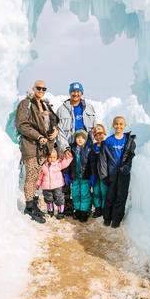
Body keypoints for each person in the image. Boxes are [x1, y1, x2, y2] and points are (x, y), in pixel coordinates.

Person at [16, 80, 59, 224]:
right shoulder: (26, 103)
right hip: (31, 146)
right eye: (39, 88)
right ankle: (29, 207)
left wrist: (55, 132)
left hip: (44, 148)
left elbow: (53, 122)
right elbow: (22, 124)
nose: (41, 90)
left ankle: (33, 203)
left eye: (44, 88)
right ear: (34, 88)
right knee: (31, 177)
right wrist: (38, 136)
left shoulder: (45, 104)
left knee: (36, 177)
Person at [56, 82, 96, 215]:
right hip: (68, 148)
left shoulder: (89, 108)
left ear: (82, 93)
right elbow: (59, 131)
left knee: (84, 177)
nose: (76, 93)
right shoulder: (62, 109)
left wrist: (94, 146)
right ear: (70, 93)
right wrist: (65, 148)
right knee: (67, 177)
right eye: (73, 91)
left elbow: (93, 129)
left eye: (78, 91)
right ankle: (68, 207)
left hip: (85, 149)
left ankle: (85, 208)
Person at [99, 116, 136, 228]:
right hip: (111, 173)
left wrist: (127, 167)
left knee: (121, 197)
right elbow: (103, 160)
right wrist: (104, 175)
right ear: (112, 125)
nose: (118, 126)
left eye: (121, 124)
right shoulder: (108, 141)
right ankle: (107, 218)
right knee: (110, 196)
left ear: (125, 126)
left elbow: (130, 156)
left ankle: (116, 220)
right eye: (116, 124)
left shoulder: (129, 141)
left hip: (123, 174)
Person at [64, 129, 96, 223]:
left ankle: (84, 211)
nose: (80, 139)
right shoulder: (72, 148)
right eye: (78, 137)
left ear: (86, 139)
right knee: (75, 194)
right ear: (75, 139)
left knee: (85, 194)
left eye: (83, 138)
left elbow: (92, 163)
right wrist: (66, 173)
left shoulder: (89, 149)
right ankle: (77, 210)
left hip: (85, 177)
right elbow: (68, 162)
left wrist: (93, 175)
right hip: (74, 177)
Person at [36, 149, 73, 220]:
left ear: (57, 157)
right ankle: (50, 211)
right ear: (47, 157)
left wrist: (69, 157)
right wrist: (38, 183)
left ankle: (60, 212)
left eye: (54, 157)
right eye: (50, 157)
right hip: (46, 187)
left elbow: (65, 163)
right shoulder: (44, 165)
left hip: (57, 186)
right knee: (48, 199)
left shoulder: (58, 164)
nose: (52, 159)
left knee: (59, 199)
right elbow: (41, 175)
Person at [92, 124, 108, 218]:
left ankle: (104, 208)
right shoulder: (93, 147)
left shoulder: (107, 146)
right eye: (96, 135)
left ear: (104, 134)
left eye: (101, 134)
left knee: (104, 192)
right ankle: (98, 209)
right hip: (95, 174)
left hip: (104, 174)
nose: (99, 136)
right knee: (96, 191)